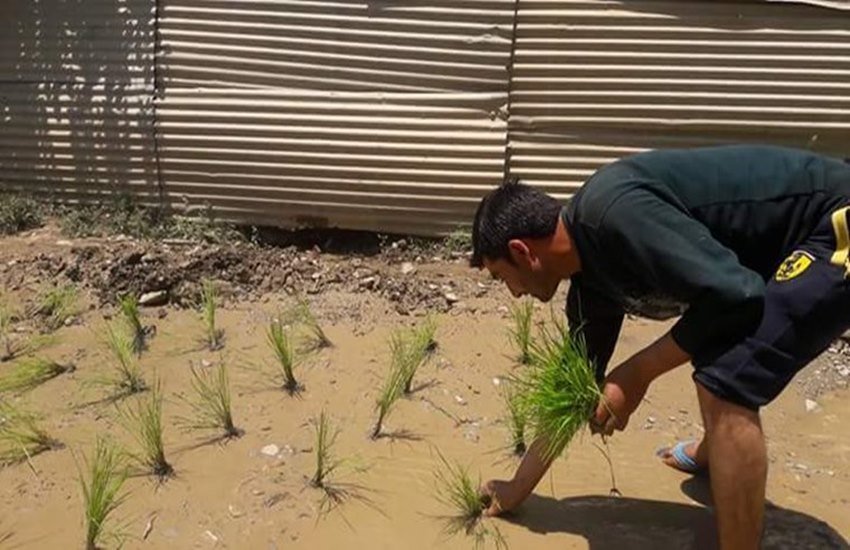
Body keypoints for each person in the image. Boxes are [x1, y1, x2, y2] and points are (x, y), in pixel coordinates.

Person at [471, 144, 850, 549]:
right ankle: (714, 453)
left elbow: (738, 295)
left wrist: (636, 374)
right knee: (712, 334)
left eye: (501, 278)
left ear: (521, 252)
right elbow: (568, 393)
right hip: (773, 252)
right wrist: (517, 487)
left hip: (835, 224)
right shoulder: (590, 285)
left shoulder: (614, 215)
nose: (512, 293)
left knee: (725, 383)